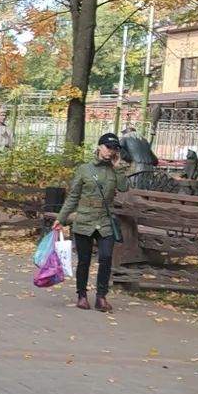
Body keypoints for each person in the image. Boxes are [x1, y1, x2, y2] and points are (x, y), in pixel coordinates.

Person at [56, 131, 128, 311]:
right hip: (85, 220)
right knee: (84, 260)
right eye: (108, 147)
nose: (110, 151)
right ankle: (81, 295)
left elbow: (124, 187)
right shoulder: (84, 169)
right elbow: (73, 196)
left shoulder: (115, 169)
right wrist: (61, 219)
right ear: (99, 147)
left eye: (114, 148)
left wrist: (118, 168)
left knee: (106, 257)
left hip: (105, 221)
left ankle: (101, 297)